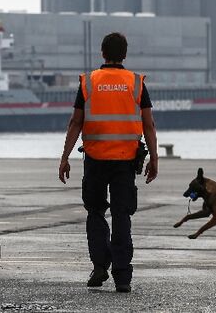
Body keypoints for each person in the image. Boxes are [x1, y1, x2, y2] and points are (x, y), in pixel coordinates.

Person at [58, 32, 158, 293]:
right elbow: (148, 124)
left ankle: (100, 266)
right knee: (122, 215)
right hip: (125, 161)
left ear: (102, 53)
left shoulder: (89, 82)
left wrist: (65, 157)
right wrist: (155, 159)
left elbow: (75, 123)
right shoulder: (135, 83)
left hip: (95, 159)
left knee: (95, 212)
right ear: (124, 54)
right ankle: (122, 277)